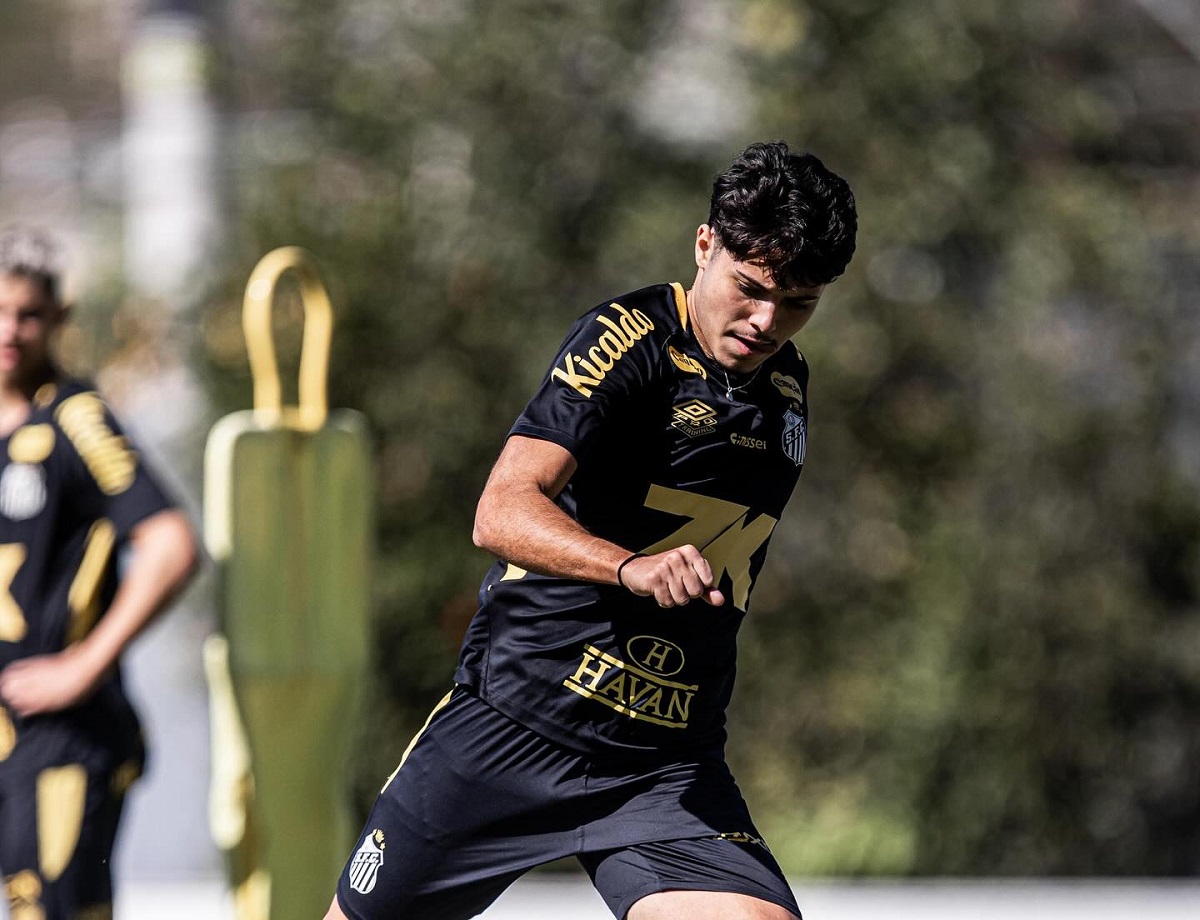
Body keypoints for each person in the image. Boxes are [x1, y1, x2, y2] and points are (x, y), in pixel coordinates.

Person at [326, 140, 857, 920]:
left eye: (800, 302)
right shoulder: (627, 340)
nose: (768, 320)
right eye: (751, 289)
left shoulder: (787, 385)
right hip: (510, 729)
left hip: (660, 767)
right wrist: (627, 568)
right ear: (704, 244)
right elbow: (500, 509)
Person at [0, 227, 199, 919]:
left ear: (57, 318)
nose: (9, 331)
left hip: (61, 734)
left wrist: (83, 666)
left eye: (26, 314)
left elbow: (171, 545)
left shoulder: (76, 419)